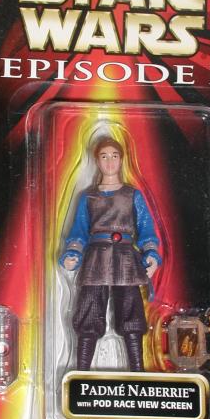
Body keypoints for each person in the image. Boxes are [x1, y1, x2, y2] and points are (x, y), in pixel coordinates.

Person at [60, 137, 161, 372]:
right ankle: (81, 372)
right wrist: (73, 253)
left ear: (122, 159)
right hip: (96, 259)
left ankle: (138, 371)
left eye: (114, 156)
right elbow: (79, 231)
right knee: (89, 310)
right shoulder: (88, 197)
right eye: (104, 156)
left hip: (126, 259)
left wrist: (151, 254)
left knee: (131, 313)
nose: (109, 161)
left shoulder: (132, 195)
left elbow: (146, 229)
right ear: (97, 160)